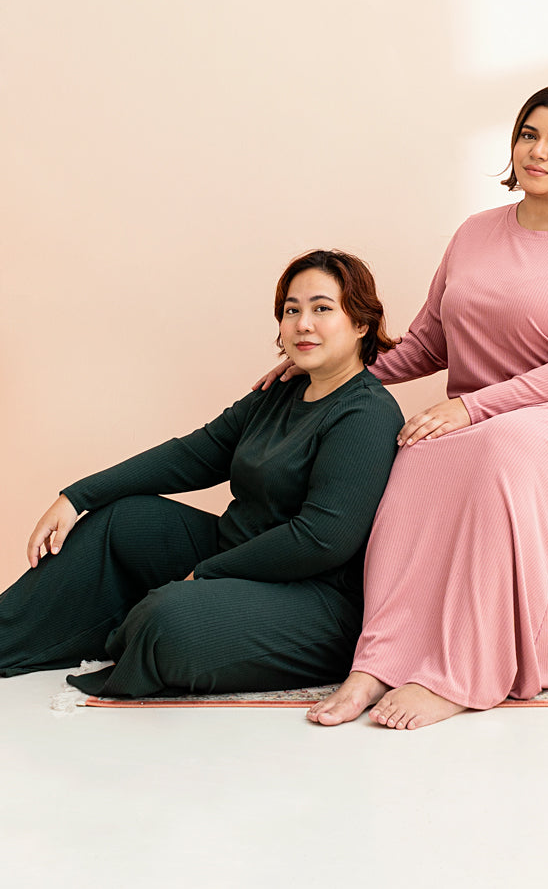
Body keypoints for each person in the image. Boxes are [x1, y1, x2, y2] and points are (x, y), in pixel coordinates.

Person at [256, 84, 548, 730]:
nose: (538, 151)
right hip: (495, 417)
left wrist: (473, 410)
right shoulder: (475, 233)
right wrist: (334, 369)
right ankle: (378, 660)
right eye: (529, 134)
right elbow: (429, 343)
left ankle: (462, 672)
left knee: (503, 450)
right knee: (413, 455)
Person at [0, 250, 403, 698]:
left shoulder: (365, 414)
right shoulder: (279, 392)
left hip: (313, 603)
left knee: (168, 618)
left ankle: (138, 629)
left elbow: (321, 539)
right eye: (292, 310)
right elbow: (194, 454)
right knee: (122, 520)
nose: (303, 324)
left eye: (322, 309)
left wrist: (207, 573)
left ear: (360, 323)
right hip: (236, 559)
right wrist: (78, 496)